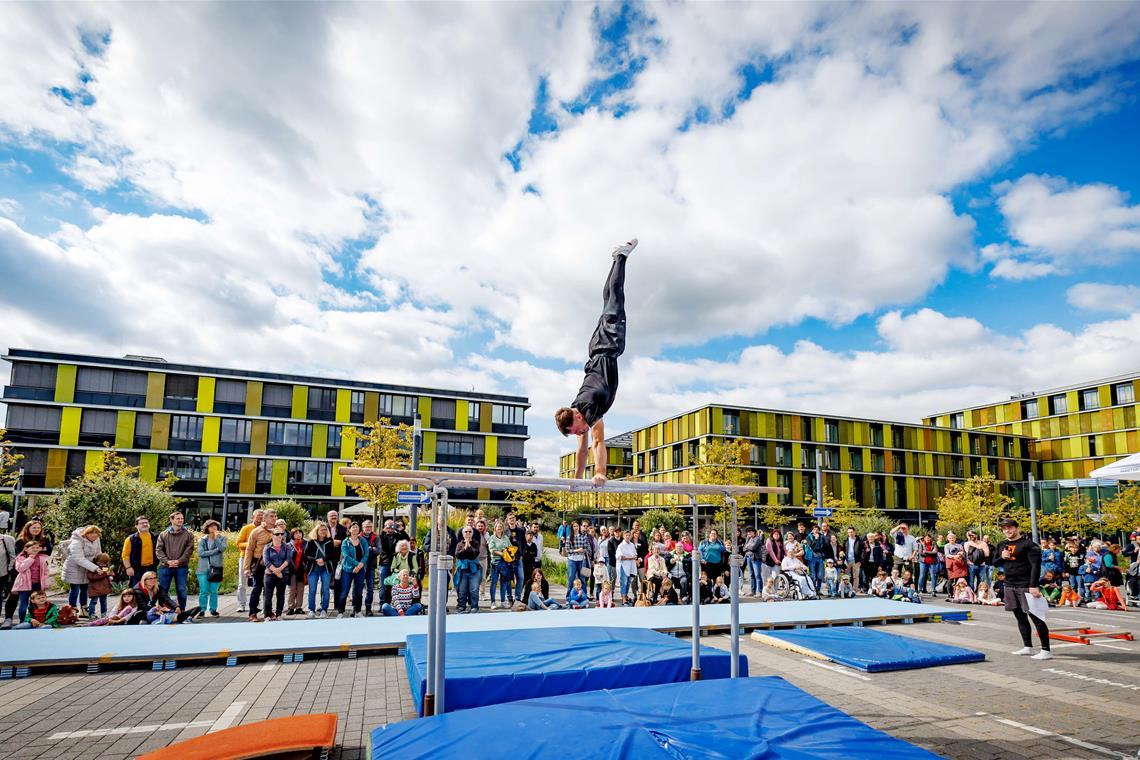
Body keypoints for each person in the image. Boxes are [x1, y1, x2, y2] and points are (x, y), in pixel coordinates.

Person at [554, 237, 638, 487]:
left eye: (576, 431)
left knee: (616, 297)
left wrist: (600, 471)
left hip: (608, 345)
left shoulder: (589, 409)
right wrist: (577, 480)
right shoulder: (579, 412)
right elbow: (582, 451)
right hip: (599, 348)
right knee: (608, 302)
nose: (580, 434)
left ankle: (621, 257)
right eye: (576, 434)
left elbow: (598, 442)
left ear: (576, 419)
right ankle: (616, 258)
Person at [993, 517, 1052, 660]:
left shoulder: (1029, 545)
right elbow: (994, 563)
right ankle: (1028, 647)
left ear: (1017, 528)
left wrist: (1033, 585)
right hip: (1010, 584)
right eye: (1004, 528)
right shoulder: (1001, 544)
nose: (1007, 530)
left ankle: (1046, 650)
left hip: (1026, 585)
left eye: (1010, 527)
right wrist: (1002, 557)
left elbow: (1035, 566)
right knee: (1020, 617)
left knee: (1036, 617)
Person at [3, 540, 49, 628]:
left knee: (35, 604)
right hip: (24, 585)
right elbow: (20, 569)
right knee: (23, 604)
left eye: (37, 548)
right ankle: (22, 621)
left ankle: (35, 621)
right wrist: (31, 558)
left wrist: (45, 584)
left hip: (37, 584)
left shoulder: (42, 558)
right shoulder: (20, 558)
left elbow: (45, 572)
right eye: (32, 548)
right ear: (26, 549)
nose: (35, 549)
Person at [243, 508, 277, 622]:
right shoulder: (256, 531)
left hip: (273, 565)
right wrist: (246, 568)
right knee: (257, 588)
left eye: (275, 516)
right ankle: (252, 612)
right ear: (265, 518)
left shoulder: (278, 530)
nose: (274, 518)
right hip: (260, 564)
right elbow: (249, 550)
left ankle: (268, 611)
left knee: (269, 589)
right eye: (271, 516)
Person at [61, 525, 103, 617]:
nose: (95, 536)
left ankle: (83, 610)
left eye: (96, 534)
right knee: (75, 589)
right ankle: (72, 610)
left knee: (85, 589)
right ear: (86, 534)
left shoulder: (96, 540)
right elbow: (79, 559)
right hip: (74, 568)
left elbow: (98, 552)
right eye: (92, 534)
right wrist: (95, 568)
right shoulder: (77, 542)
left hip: (87, 568)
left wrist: (101, 562)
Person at [156, 512, 194, 611]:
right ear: (172, 520)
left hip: (181, 567)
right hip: (165, 567)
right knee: (163, 591)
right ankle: (163, 611)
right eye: (178, 518)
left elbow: (189, 550)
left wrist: (179, 561)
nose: (180, 520)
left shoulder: (189, 534)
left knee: (181, 590)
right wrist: (168, 561)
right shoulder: (163, 534)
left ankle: (182, 611)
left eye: (182, 518)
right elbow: (159, 550)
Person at [234, 509, 264, 613]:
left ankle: (256, 604)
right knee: (242, 583)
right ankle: (242, 604)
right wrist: (251, 544)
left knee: (258, 583)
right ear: (253, 517)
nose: (260, 517)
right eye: (258, 515)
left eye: (262, 516)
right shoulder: (246, 528)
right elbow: (238, 543)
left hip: (259, 559)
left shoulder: (265, 529)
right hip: (245, 557)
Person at [196, 520, 226, 618]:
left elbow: (222, 548)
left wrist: (216, 538)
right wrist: (215, 551)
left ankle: (213, 610)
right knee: (203, 591)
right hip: (203, 569)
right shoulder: (202, 540)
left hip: (216, 569)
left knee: (214, 591)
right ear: (207, 528)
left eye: (215, 526)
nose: (213, 528)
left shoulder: (222, 538)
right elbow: (201, 553)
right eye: (211, 526)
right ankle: (202, 610)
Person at [262, 526, 293, 621]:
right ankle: (267, 615)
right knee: (268, 595)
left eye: (282, 534)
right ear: (272, 535)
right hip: (269, 574)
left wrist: (279, 570)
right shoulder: (267, 547)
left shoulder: (287, 547)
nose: (280, 536)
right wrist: (275, 571)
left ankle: (279, 614)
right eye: (277, 534)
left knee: (280, 595)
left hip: (283, 574)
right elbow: (266, 561)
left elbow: (288, 560)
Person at [338, 523, 369, 618]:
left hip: (360, 570)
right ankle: (340, 612)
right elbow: (346, 556)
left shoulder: (363, 541)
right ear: (350, 530)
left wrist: (360, 566)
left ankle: (357, 611)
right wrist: (357, 564)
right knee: (344, 591)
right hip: (347, 570)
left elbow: (366, 554)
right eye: (353, 527)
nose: (355, 528)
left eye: (357, 527)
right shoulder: (345, 542)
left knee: (358, 592)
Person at [304, 523, 334, 618]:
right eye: (321, 530)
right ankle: (311, 610)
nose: (324, 532)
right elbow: (305, 556)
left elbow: (332, 554)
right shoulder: (311, 542)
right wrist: (316, 560)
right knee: (312, 590)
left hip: (325, 569)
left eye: (325, 530)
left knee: (325, 590)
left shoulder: (329, 541)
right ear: (316, 531)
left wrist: (323, 560)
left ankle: (324, 609)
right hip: (313, 569)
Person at [121, 516, 158, 587]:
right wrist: (128, 568)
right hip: (136, 569)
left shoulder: (156, 537)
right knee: (136, 590)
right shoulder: (131, 539)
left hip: (152, 568)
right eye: (142, 523)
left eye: (146, 522)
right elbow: (125, 555)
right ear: (136, 526)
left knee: (152, 589)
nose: (145, 524)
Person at [453, 526, 482, 614]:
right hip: (463, 571)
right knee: (462, 590)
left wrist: (469, 546)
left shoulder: (476, 543)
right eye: (466, 532)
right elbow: (458, 555)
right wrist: (465, 547)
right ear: (463, 534)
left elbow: (474, 554)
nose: (468, 533)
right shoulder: (459, 544)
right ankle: (461, 606)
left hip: (474, 571)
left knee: (474, 589)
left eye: (470, 532)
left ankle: (474, 606)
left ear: (472, 533)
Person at [488, 521, 514, 610]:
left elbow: (510, 547)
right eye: (498, 527)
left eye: (501, 527)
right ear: (495, 528)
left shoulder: (506, 538)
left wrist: (509, 553)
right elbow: (492, 550)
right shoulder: (492, 538)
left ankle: (503, 601)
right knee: (494, 582)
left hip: (505, 563)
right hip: (495, 563)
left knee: (504, 583)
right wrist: (502, 553)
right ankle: (493, 601)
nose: (499, 528)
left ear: (503, 529)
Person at [359, 520, 380, 616]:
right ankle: (357, 609)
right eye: (366, 526)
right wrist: (371, 548)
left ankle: (368, 609)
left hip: (371, 566)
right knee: (357, 588)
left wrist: (369, 548)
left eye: (370, 527)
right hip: (360, 566)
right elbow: (358, 551)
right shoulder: (358, 537)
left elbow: (378, 550)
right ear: (362, 527)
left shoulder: (375, 537)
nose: (368, 528)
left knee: (370, 589)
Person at [285, 527, 307, 616]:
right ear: (292, 535)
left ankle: (299, 607)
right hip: (291, 570)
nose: (298, 534)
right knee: (292, 589)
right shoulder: (288, 545)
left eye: (300, 533)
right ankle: (290, 607)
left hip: (302, 570)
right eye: (296, 533)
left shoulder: (306, 544)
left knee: (301, 589)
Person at [86, 552, 114, 618]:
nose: (103, 565)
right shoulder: (93, 568)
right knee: (93, 601)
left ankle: (103, 613)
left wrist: (110, 575)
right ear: (97, 561)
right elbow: (91, 577)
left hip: (104, 588)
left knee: (104, 602)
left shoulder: (105, 567)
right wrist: (105, 574)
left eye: (105, 563)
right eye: (101, 563)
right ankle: (91, 613)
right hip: (95, 588)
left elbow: (110, 572)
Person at [616, 530, 638, 604]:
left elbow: (635, 555)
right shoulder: (621, 546)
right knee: (624, 582)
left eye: (629, 535)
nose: (628, 536)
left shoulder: (632, 545)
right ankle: (623, 599)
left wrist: (633, 558)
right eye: (626, 535)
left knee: (628, 582)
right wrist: (630, 558)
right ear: (623, 536)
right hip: (624, 566)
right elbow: (619, 557)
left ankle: (626, 596)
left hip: (631, 567)